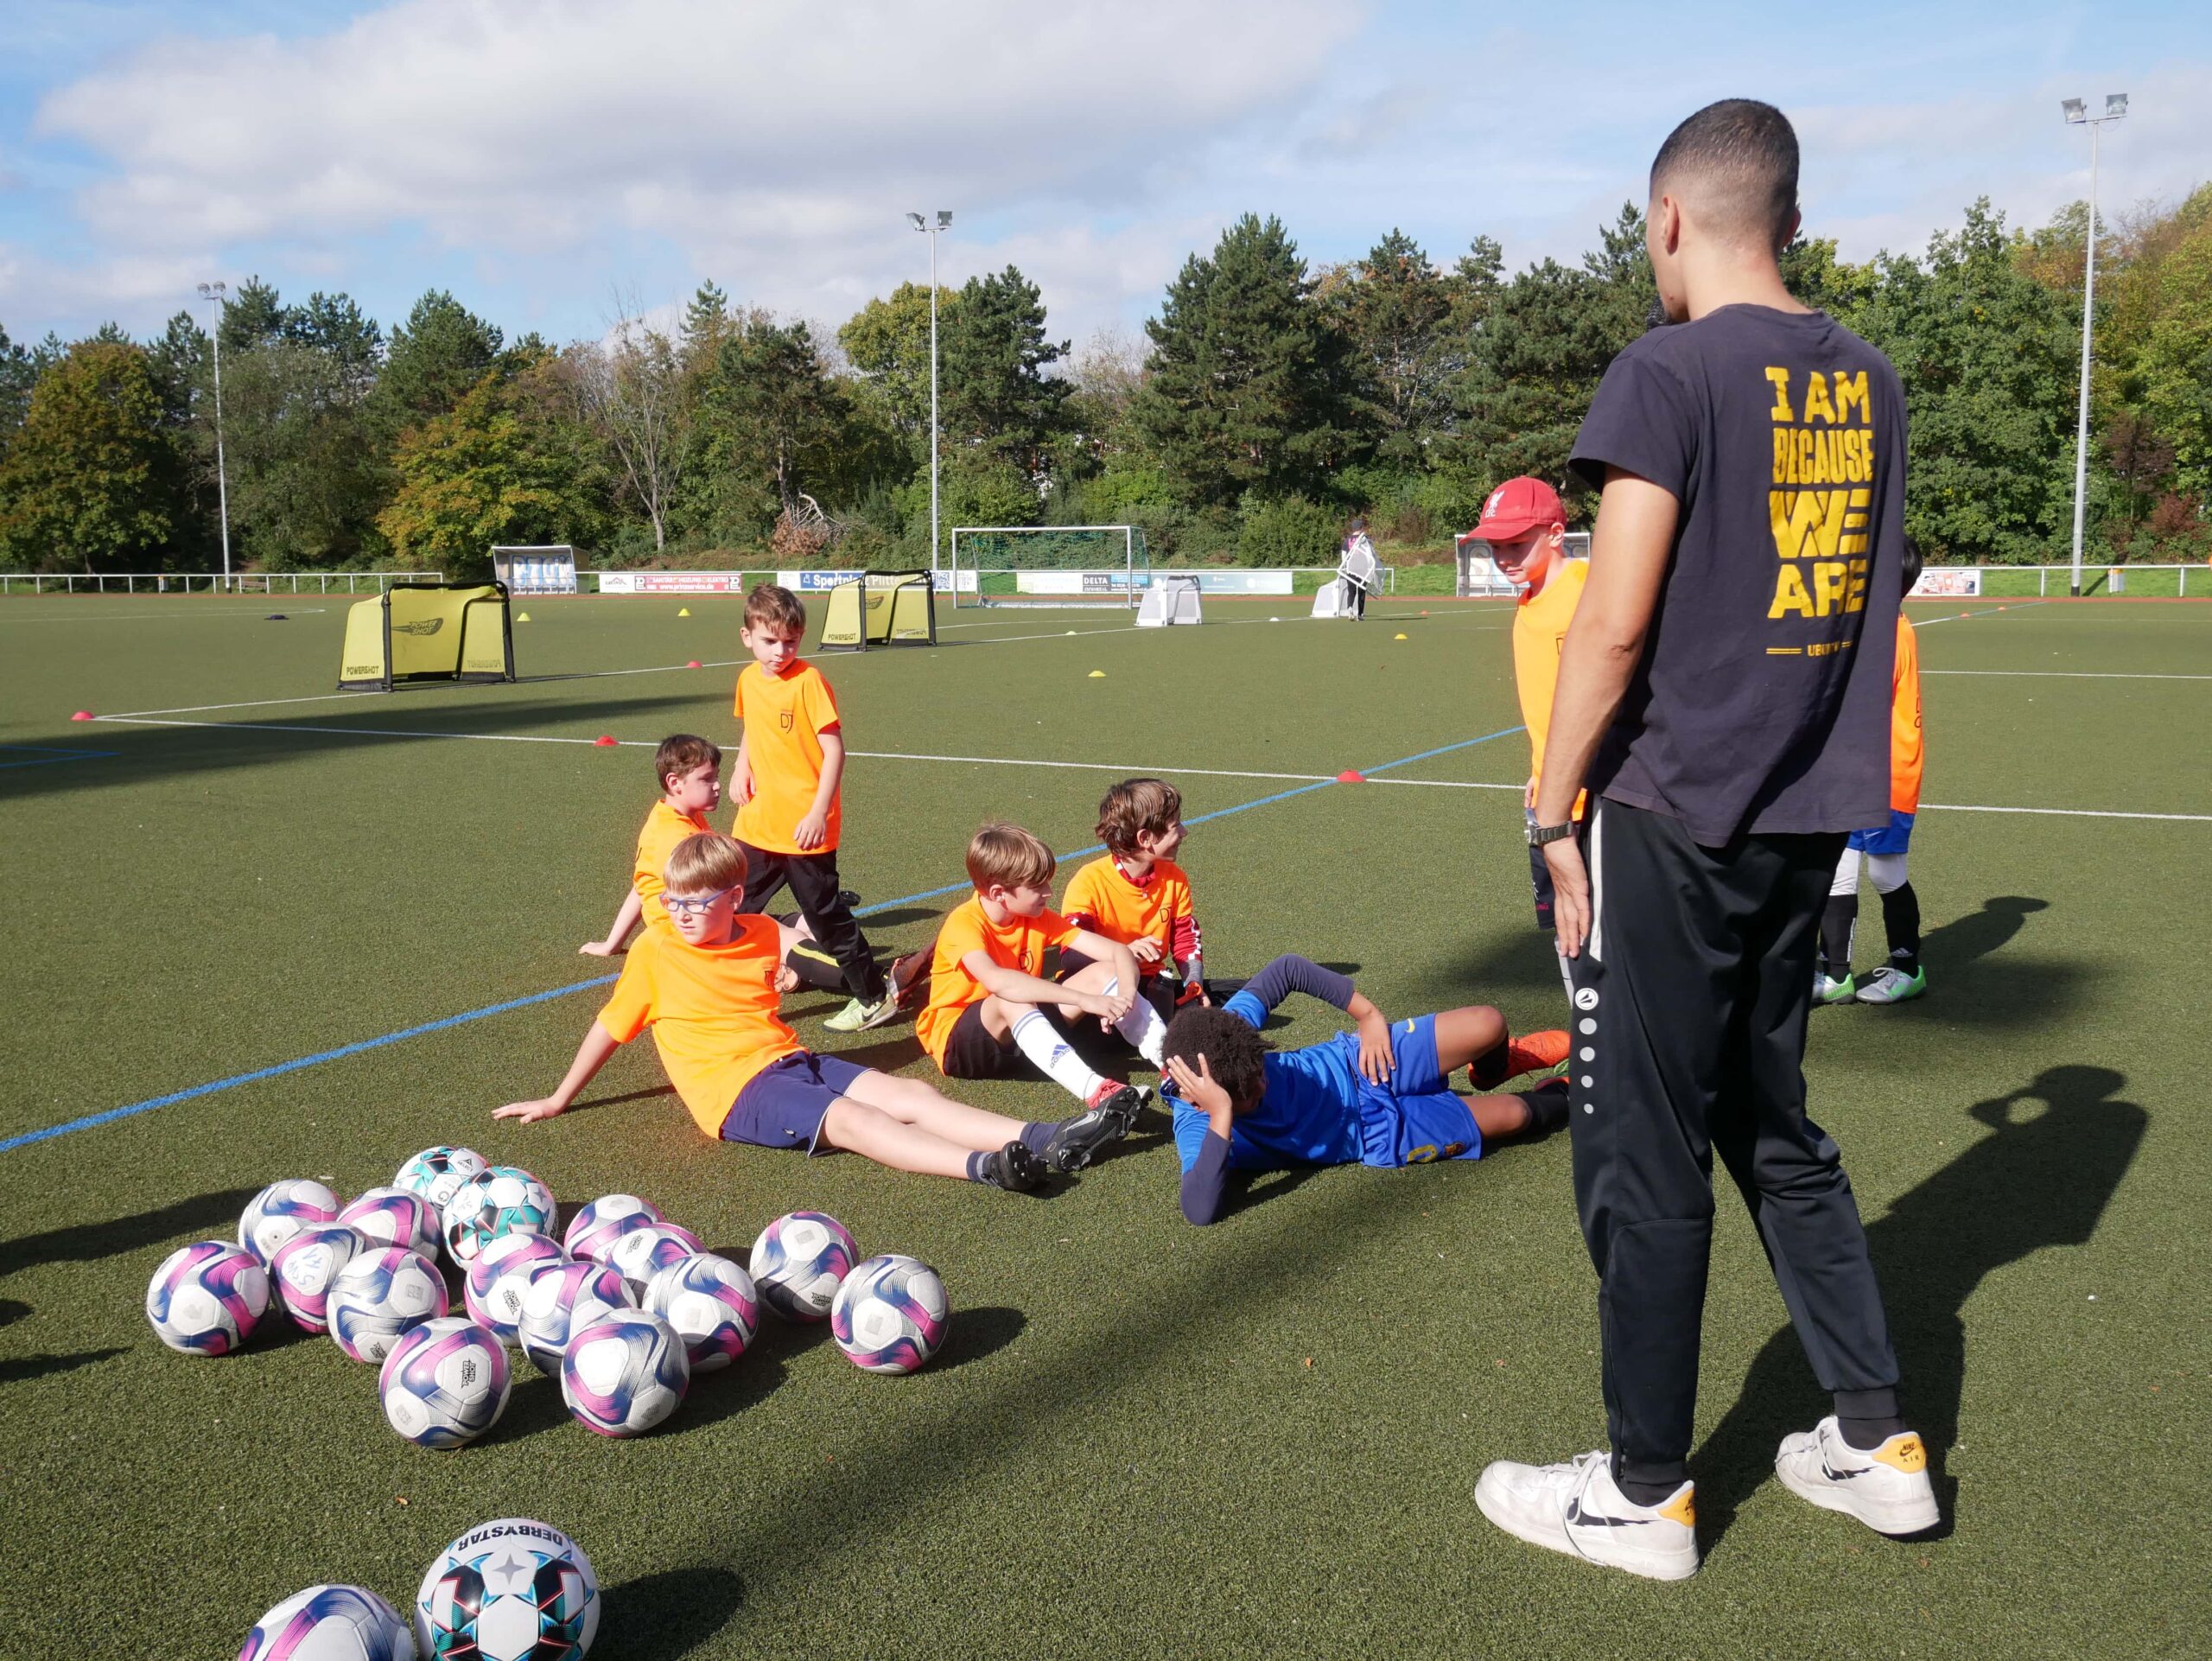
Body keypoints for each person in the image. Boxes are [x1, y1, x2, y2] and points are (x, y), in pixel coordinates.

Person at [1478, 99, 1938, 1582]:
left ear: (1669, 219)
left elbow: (1610, 624)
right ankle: (1877, 1439)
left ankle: (1644, 1490)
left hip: (1671, 818)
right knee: (1771, 1120)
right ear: (1789, 221)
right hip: (1807, 819)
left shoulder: (1666, 369)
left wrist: (1553, 812)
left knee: (1647, 1145)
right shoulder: (1871, 378)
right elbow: (1874, 578)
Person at [499, 834, 1125, 1187]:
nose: (680, 914)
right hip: (734, 1092)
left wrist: (884, 979)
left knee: (911, 1096)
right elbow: (609, 1029)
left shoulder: (761, 932)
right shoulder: (655, 950)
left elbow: (819, 958)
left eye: (697, 902)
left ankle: (1045, 1137)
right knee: (853, 1120)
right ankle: (986, 1167)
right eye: (673, 902)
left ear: (736, 897)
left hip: (789, 1059)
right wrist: (557, 1098)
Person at [1160, 954, 1569, 1226]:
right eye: (1249, 1094)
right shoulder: (1198, 1125)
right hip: (1376, 1133)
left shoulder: (1224, 1033)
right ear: (1202, 1100)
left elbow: (1287, 969)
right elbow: (1199, 1210)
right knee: (1517, 1116)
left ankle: (1496, 1069)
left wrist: (1368, 1015)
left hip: (1359, 1062)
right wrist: (1222, 1115)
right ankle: (1565, 1093)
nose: (1262, 1085)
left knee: (1488, 1023)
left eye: (1260, 1072)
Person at [913, 822, 1161, 1146]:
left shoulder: (1035, 916)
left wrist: (1123, 997)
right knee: (1010, 996)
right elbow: (999, 982)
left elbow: (1118, 952)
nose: (1049, 892)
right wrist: (1083, 1000)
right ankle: (1097, 1091)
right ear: (999, 893)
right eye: (1037, 886)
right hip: (960, 1047)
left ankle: (1169, 1062)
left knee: (1102, 972)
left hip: (1022, 1030)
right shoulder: (964, 923)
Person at [730, 582, 898, 1033]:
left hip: (805, 829)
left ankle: (874, 997)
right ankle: (735, 989)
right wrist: (741, 767)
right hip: (757, 823)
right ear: (747, 637)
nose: (780, 651)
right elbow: (752, 729)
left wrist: (818, 812)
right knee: (732, 905)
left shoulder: (809, 682)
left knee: (826, 919)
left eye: (790, 641)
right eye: (770, 640)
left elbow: (835, 750)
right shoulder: (748, 680)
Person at [1472, 477, 1587, 970]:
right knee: (1567, 931)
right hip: (1550, 798)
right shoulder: (1530, 599)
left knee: (1601, 928)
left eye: (1516, 544)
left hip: (1594, 802)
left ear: (1556, 534)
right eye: (1495, 547)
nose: (1504, 558)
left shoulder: (1590, 591)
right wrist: (1542, 769)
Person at [1819, 539, 1927, 1005]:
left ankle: (1908, 968)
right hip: (1855, 772)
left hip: (1886, 777)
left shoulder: (1889, 635)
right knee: (1838, 872)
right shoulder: (1879, 627)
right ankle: (1836, 976)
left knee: (1885, 874)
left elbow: (1861, 704)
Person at [1059, 779, 1225, 1025]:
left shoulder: (1175, 877)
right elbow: (1072, 956)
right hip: (1098, 991)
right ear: (1145, 838)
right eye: (1176, 825)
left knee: (1240, 992)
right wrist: (1124, 955)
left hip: (1152, 984)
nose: (1184, 832)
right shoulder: (1089, 880)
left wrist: (1193, 984)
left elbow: (1185, 938)